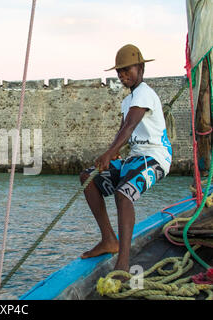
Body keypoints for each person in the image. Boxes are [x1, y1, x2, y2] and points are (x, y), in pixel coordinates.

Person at [79, 44, 173, 272]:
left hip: (157, 158)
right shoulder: (127, 101)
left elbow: (130, 126)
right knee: (88, 178)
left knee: (123, 194)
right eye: (119, 72)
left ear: (140, 67)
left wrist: (109, 154)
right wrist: (112, 154)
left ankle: (123, 263)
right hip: (136, 158)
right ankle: (109, 239)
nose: (122, 75)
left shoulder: (144, 93)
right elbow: (123, 132)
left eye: (126, 70)